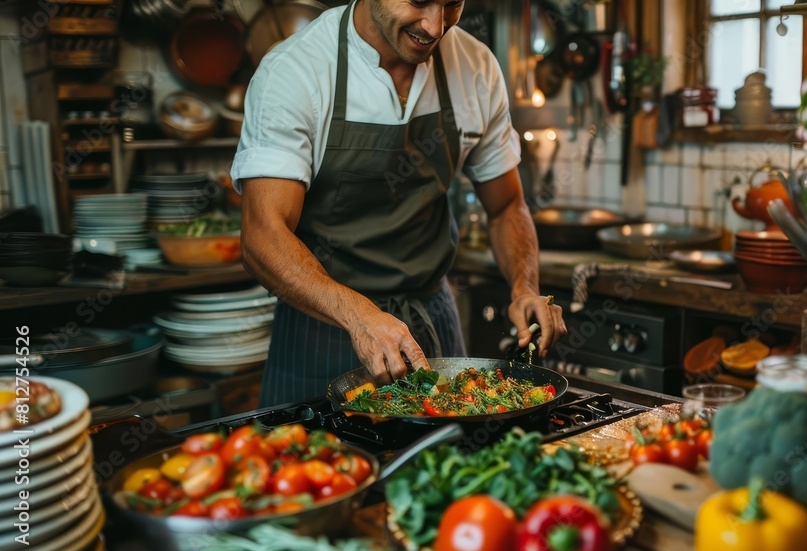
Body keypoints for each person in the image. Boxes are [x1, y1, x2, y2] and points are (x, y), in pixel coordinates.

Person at [231, 0, 567, 407]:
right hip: (324, 328)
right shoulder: (295, 71)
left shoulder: (475, 67)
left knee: (445, 467)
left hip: (432, 319)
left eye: (453, 4)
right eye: (419, 1)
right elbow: (261, 237)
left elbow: (507, 206)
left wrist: (524, 287)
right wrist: (359, 316)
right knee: (321, 464)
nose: (435, 25)